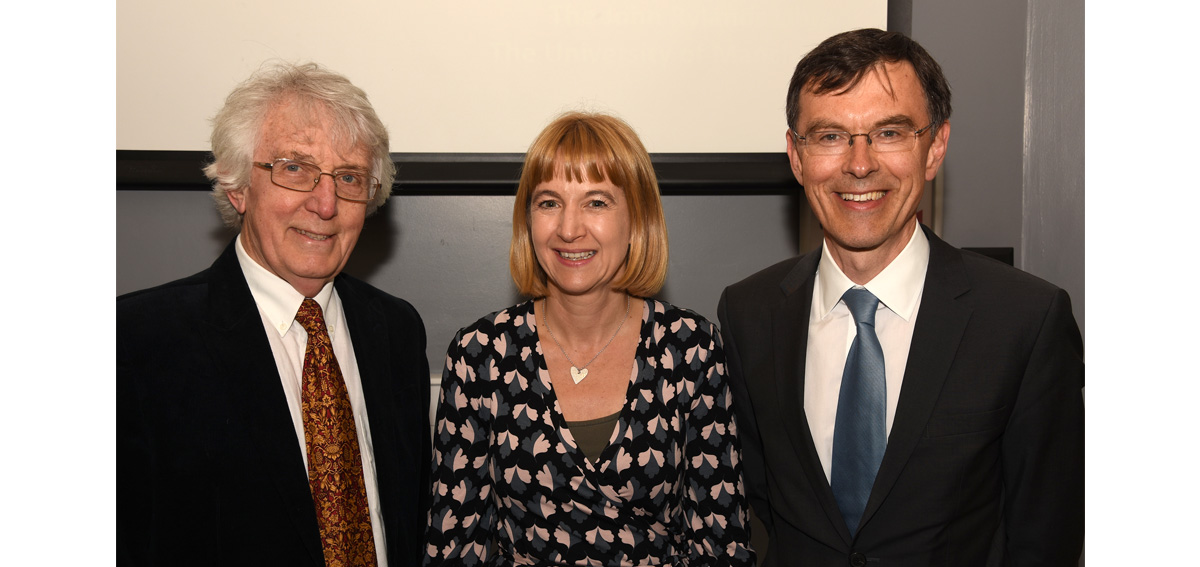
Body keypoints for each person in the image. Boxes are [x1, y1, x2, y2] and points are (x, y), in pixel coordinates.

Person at [717, 29, 1083, 565]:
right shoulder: (748, 316)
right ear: (796, 157)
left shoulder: (1025, 321)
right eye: (830, 136)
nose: (859, 164)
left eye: (888, 132)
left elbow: (1044, 541)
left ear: (934, 147)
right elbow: (759, 515)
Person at [117, 62, 431, 566]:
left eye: (349, 177)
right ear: (238, 185)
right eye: (294, 168)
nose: (325, 203)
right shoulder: (135, 343)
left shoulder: (395, 331)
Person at [423, 112, 756, 566]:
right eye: (549, 203)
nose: (568, 228)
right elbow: (456, 548)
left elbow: (722, 545)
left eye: (596, 202)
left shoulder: (691, 348)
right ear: (528, 220)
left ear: (636, 219)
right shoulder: (480, 354)